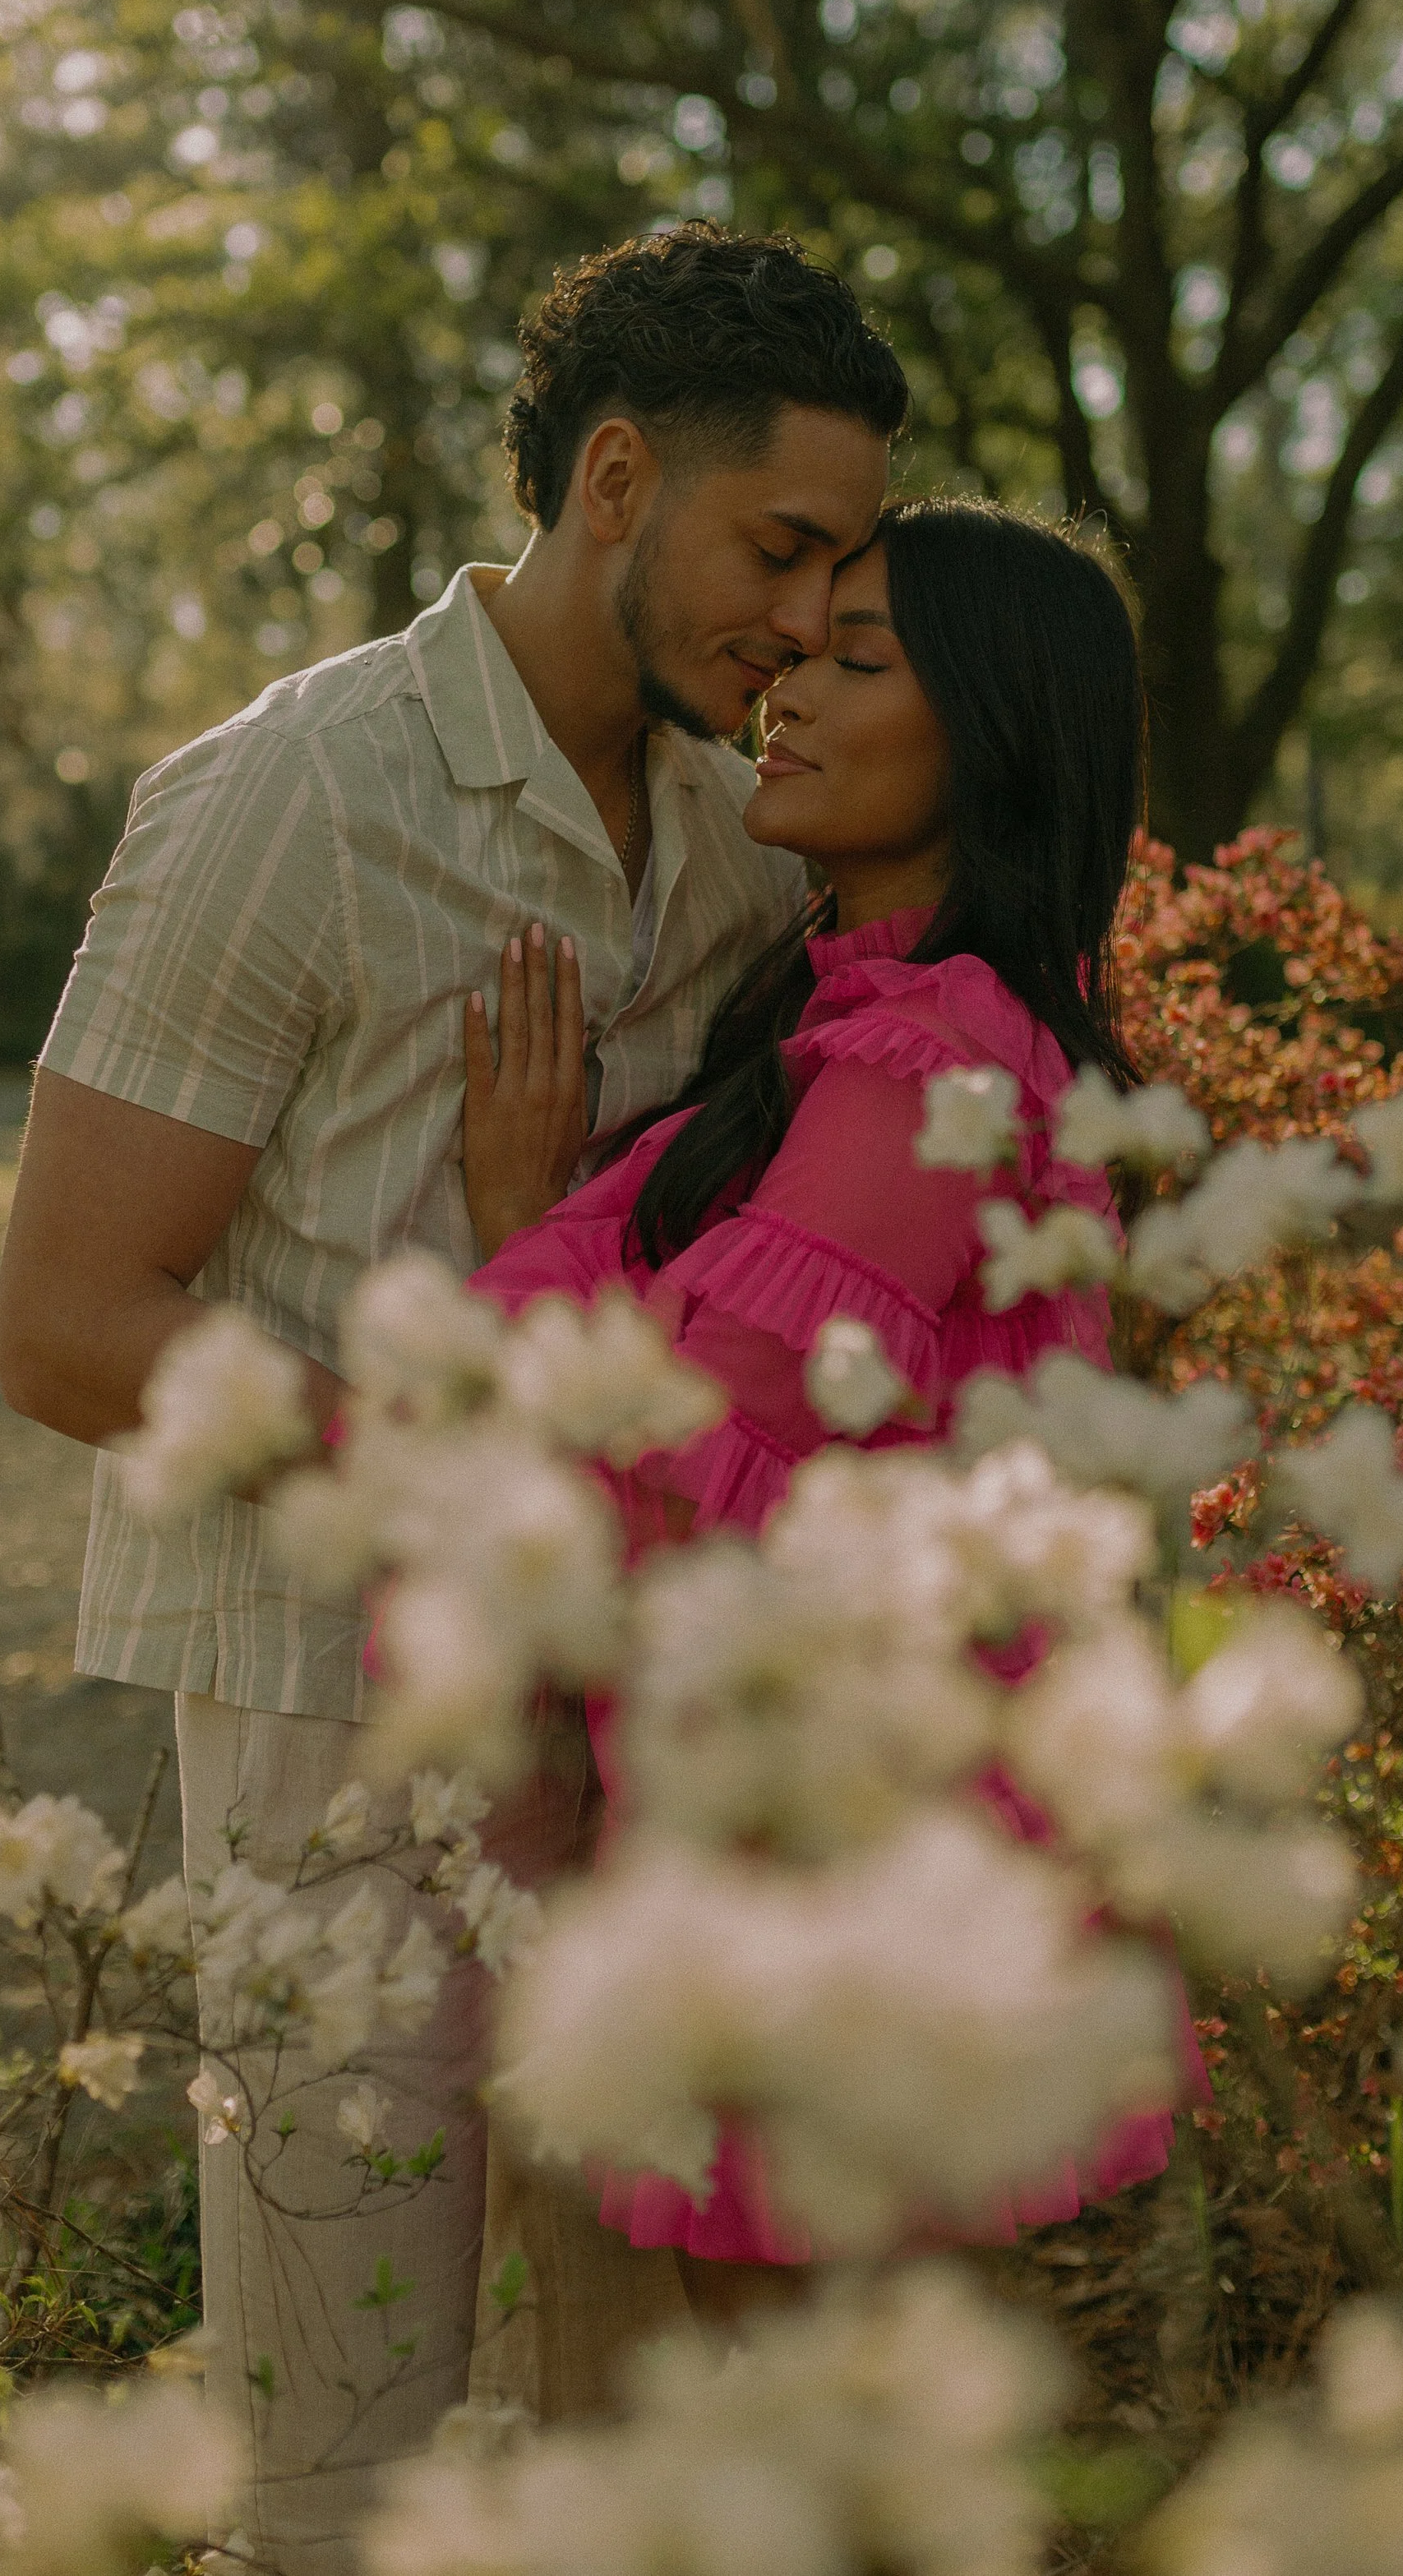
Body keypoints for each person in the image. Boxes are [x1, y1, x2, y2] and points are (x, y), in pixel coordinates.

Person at [0, 224, 907, 2573]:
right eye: (775, 547)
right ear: (616, 479)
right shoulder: (289, 795)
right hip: (322, 1701)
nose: (807, 620)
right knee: (347, 2410)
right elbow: (76, 1319)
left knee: (584, 2400)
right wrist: (468, 1446)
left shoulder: (735, 834)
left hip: (615, 1712)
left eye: (842, 571)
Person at [460, 496, 1170, 2361]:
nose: (782, 691)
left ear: (992, 735)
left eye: (859, 662)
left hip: (853, 1860)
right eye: (791, 650)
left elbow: (684, 1443)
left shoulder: (931, 1062)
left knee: (835, 2435)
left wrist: (511, 1243)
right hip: (797, 1823)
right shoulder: (841, 1028)